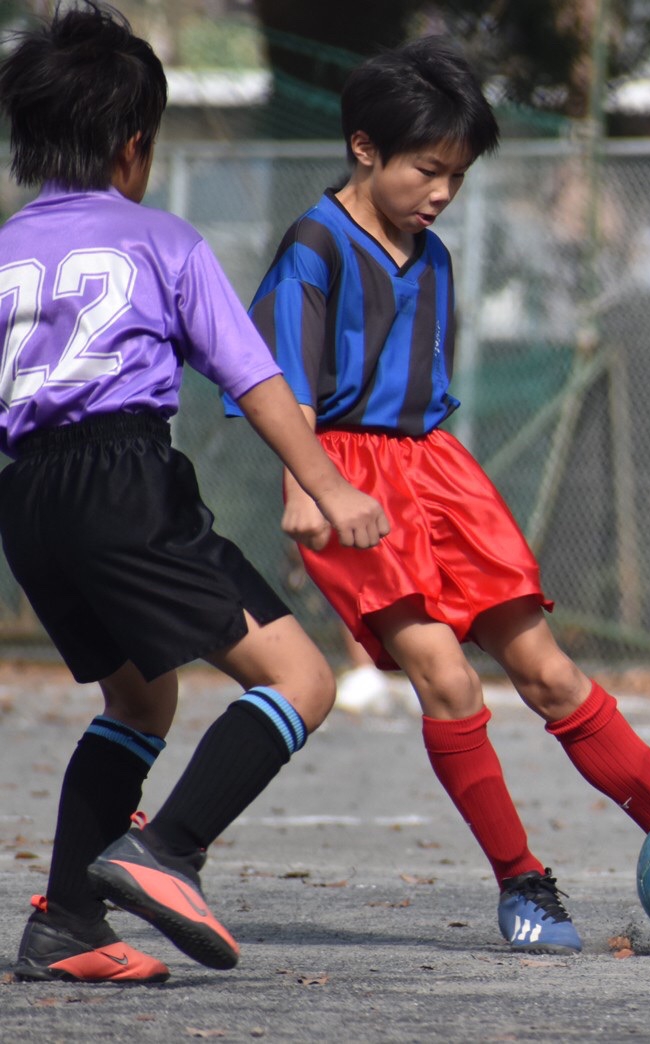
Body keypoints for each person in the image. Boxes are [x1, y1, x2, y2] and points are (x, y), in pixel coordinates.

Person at [233, 39, 650, 954]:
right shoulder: (313, 244)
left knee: (551, 674)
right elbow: (281, 377)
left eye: (457, 174)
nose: (443, 191)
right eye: (428, 169)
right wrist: (307, 483)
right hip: (344, 476)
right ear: (366, 148)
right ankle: (522, 883)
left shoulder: (436, 255)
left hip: (436, 469)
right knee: (446, 678)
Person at [0, 2, 388, 983]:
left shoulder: (4, 254)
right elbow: (254, 380)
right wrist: (328, 485)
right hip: (121, 480)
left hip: (29, 504)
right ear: (135, 148)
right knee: (301, 678)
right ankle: (166, 850)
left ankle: (66, 926)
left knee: (139, 700)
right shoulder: (160, 242)